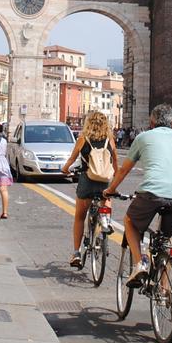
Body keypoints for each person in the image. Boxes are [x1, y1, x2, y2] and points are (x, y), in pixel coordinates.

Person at [105, 104, 172, 289]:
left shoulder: (143, 137)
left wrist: (110, 189)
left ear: (152, 122)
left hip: (152, 193)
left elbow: (124, 170)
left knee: (130, 221)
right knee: (166, 240)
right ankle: (166, 291)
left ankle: (140, 264)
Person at [61, 111, 119, 266]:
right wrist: (116, 177)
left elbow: (72, 159)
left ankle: (76, 253)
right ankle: (105, 221)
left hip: (87, 180)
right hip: (104, 181)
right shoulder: (109, 140)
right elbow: (115, 159)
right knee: (106, 200)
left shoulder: (83, 139)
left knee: (80, 216)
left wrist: (65, 169)